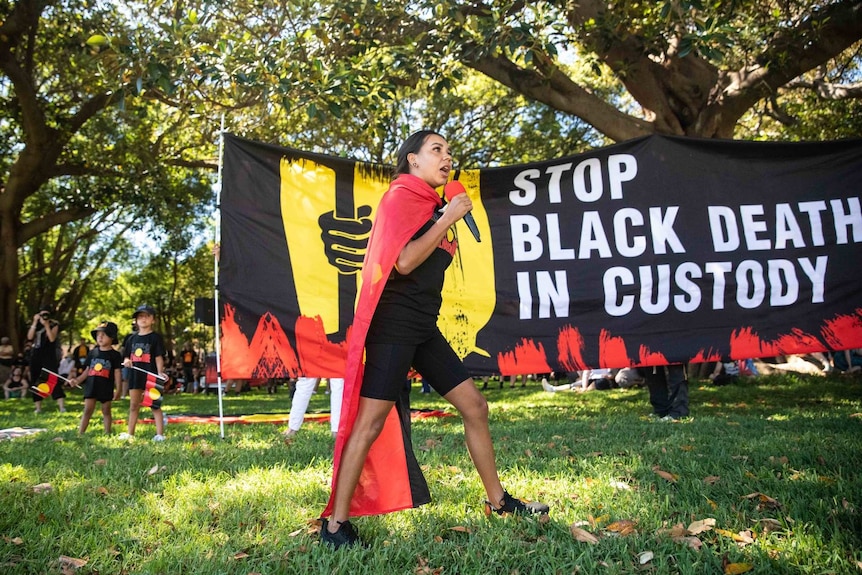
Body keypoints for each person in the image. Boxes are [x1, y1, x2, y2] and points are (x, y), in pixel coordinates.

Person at [320, 130, 548, 549]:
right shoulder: (400, 198)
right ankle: (334, 526)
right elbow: (404, 262)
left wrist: (445, 214)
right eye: (436, 150)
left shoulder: (431, 204)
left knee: (475, 405)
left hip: (424, 327)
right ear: (413, 160)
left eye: (448, 150)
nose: (447, 157)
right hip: (393, 326)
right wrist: (447, 218)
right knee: (369, 423)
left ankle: (498, 502)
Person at [121, 305, 168, 441]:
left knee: (154, 405)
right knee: (134, 405)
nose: (143, 319)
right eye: (140, 316)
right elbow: (126, 356)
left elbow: (159, 357)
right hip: (135, 376)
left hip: (152, 376)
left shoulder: (155, 338)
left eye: (147, 316)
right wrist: (127, 361)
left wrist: (160, 372)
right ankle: (130, 433)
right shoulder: (130, 339)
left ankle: (159, 434)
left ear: (153, 320)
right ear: (136, 320)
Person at [68, 322, 122, 435]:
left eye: (104, 334)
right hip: (91, 386)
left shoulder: (115, 355)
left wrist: (118, 389)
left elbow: (117, 372)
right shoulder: (92, 353)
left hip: (106, 386)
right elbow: (87, 371)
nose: (100, 337)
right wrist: (77, 380)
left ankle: (108, 432)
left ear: (112, 337)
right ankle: (80, 433)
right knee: (87, 410)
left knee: (106, 410)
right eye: (98, 335)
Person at [27, 305, 64, 414]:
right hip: (36, 355)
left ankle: (61, 406)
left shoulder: (54, 324)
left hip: (49, 355)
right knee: (35, 378)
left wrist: (47, 325)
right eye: (42, 314)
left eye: (46, 314)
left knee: (53, 378)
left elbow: (52, 338)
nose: (44, 316)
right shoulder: (36, 323)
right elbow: (29, 337)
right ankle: (38, 407)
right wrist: (34, 322)